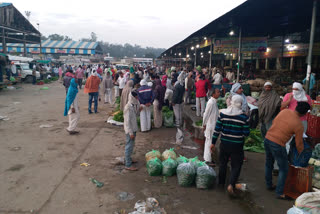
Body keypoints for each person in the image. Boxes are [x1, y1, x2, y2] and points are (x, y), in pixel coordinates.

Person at [264, 102, 310, 200]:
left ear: (296, 107)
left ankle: (269, 184)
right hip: (278, 144)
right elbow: (299, 144)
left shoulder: (284, 111)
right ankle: (280, 193)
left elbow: (275, 122)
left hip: (267, 138)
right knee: (284, 169)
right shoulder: (299, 125)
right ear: (305, 113)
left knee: (269, 162)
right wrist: (302, 154)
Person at [211, 95, 250, 195]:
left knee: (223, 164)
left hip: (224, 143)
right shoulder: (244, 117)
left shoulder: (223, 114)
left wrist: (213, 143)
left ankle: (221, 183)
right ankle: (231, 184)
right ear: (240, 103)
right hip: (237, 145)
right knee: (236, 165)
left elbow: (217, 130)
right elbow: (246, 133)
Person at [124, 91, 141, 171]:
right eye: (136, 97)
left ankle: (129, 159)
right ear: (133, 97)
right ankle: (128, 164)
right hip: (130, 129)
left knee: (131, 145)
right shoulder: (128, 107)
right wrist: (130, 133)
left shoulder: (135, 104)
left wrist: (139, 110)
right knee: (129, 146)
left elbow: (136, 114)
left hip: (134, 128)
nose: (137, 98)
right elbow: (127, 122)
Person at [202, 88, 220, 165]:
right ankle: (208, 160)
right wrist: (204, 124)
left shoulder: (214, 102)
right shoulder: (211, 103)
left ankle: (208, 158)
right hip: (210, 126)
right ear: (213, 94)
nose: (219, 93)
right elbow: (206, 114)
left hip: (213, 125)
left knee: (210, 142)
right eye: (218, 92)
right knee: (209, 142)